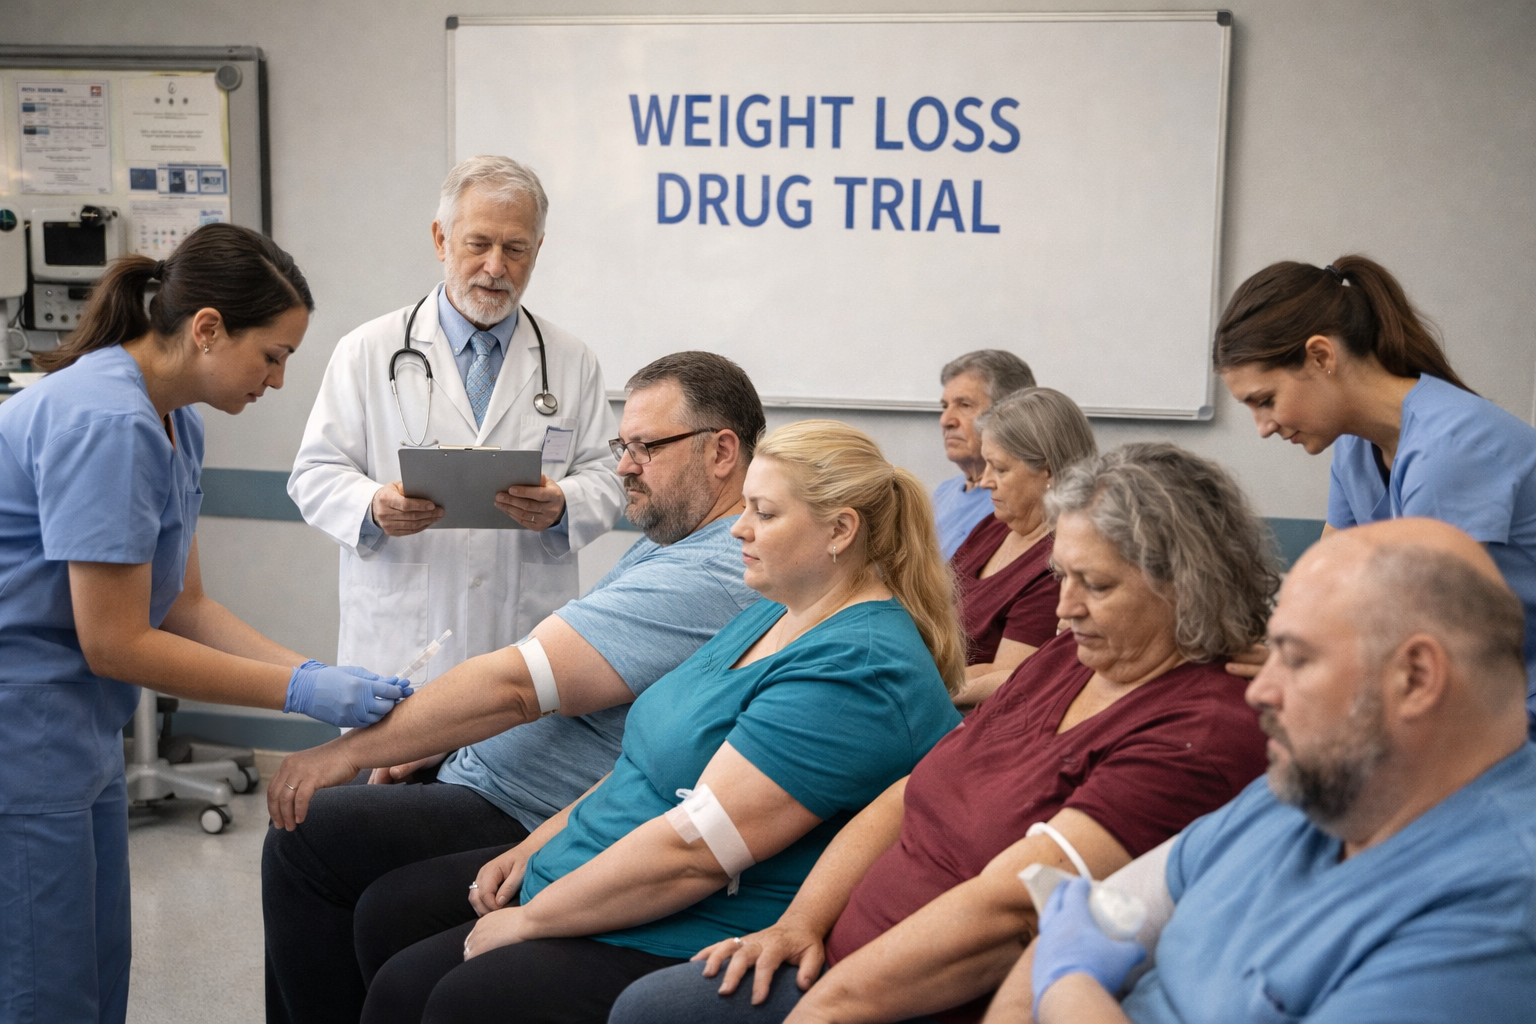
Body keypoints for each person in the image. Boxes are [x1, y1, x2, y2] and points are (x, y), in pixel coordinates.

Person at [609, 442, 1276, 1024]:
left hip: (921, 1000)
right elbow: (908, 794)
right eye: (1062, 577)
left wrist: (828, 1006)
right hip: (842, 959)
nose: (1066, 608)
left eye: (1096, 585)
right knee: (650, 1006)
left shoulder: (1201, 730)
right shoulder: (1071, 658)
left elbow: (1011, 911)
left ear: (1188, 584)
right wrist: (798, 924)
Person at [346, 420, 964, 1024]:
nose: (739, 528)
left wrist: (531, 920)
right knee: (394, 942)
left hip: (690, 919)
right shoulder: (778, 611)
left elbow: (697, 853)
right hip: (604, 869)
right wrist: (539, 845)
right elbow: (642, 761)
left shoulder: (855, 669)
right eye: (745, 507)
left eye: (765, 513)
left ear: (840, 530)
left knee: (451, 996)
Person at [263, 352, 765, 1023]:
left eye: (645, 447)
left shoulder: (714, 568)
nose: (624, 466)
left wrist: (350, 748)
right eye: (622, 446)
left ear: (722, 451)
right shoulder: (676, 537)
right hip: (500, 772)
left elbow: (518, 686)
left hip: (529, 798)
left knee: (307, 832)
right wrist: (428, 740)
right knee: (352, 854)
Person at [0, 226, 409, 1024]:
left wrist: (311, 671)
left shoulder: (174, 421)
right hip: (24, 730)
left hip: (76, 727)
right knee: (45, 991)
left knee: (94, 972)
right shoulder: (107, 422)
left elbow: (183, 605)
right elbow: (116, 642)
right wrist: (297, 693)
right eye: (273, 355)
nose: (279, 379)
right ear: (209, 328)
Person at [1001, 518, 1536, 1024]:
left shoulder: (1496, 914)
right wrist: (1062, 973)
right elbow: (1076, 926)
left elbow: (1065, 948)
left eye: (1296, 659)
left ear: (1415, 678)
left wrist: (1067, 982)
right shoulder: (1304, 790)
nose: (1259, 690)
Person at [288, 155, 624, 685]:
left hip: (523, 636)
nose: (496, 267)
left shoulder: (571, 359)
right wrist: (372, 507)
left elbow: (608, 476)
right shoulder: (367, 350)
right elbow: (313, 474)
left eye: (515, 249)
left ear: (538, 250)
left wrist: (565, 504)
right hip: (402, 638)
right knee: (399, 739)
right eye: (479, 244)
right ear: (441, 239)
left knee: (519, 734)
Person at [1214, 255, 1536, 729]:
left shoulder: (1449, 451)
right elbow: (1325, 582)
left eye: (1266, 400)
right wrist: (1281, 651)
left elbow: (1422, 628)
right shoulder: (1355, 447)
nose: (1263, 427)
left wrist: (1299, 666)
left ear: (1321, 356)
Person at [951, 388, 1097, 709]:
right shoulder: (996, 525)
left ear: (1049, 470)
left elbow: (1011, 674)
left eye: (1000, 469)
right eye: (986, 465)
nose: (985, 481)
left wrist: (916, 688)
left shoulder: (1061, 562)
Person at [933, 350, 1036, 560]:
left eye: (964, 405)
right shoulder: (943, 492)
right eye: (945, 406)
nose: (945, 420)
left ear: (1009, 413)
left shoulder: (1013, 503)